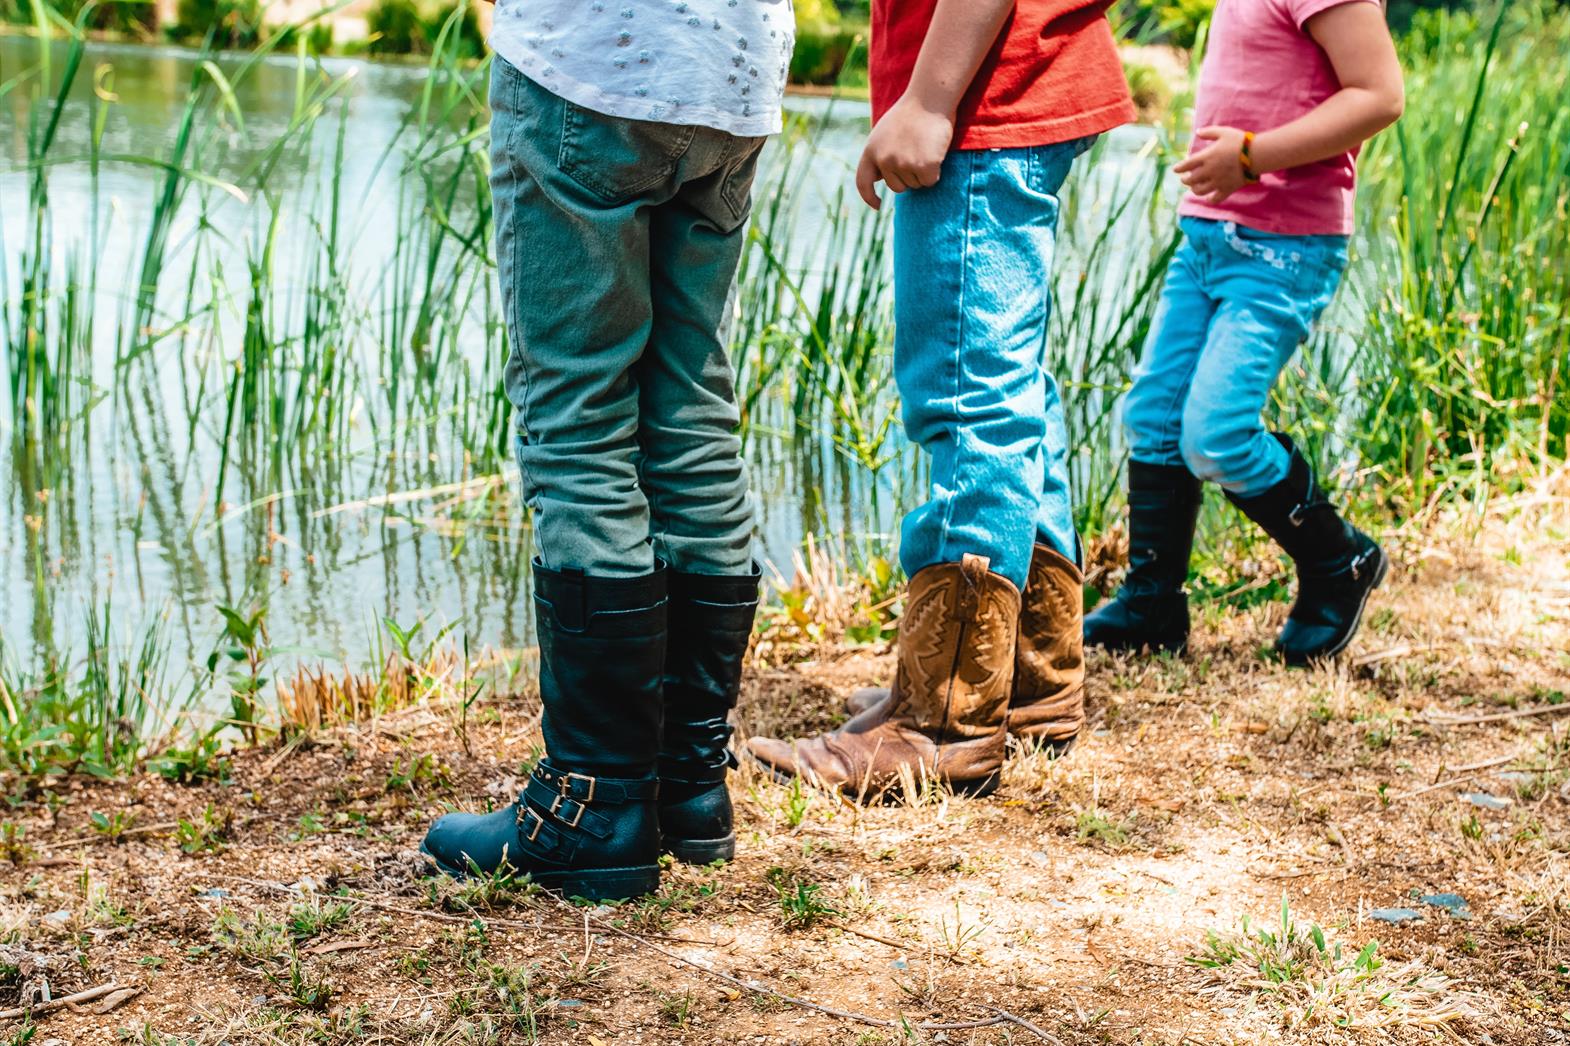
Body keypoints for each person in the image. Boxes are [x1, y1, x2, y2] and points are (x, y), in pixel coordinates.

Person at [421, 0, 794, 901]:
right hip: (732, 74)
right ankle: (686, 786)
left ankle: (596, 801)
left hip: (590, 59)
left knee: (579, 413)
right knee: (691, 406)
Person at [747, 0, 1135, 795]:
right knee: (1009, 386)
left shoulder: (955, 100)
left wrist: (928, 100)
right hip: (1008, 85)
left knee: (970, 394)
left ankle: (943, 724)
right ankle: (1030, 683)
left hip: (982, 99)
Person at [1084, 0, 1404, 664]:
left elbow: (1379, 94)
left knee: (1218, 432)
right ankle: (1153, 602)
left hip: (1284, 247)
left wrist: (1254, 157)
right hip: (1206, 239)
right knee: (1155, 416)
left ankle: (1338, 559)